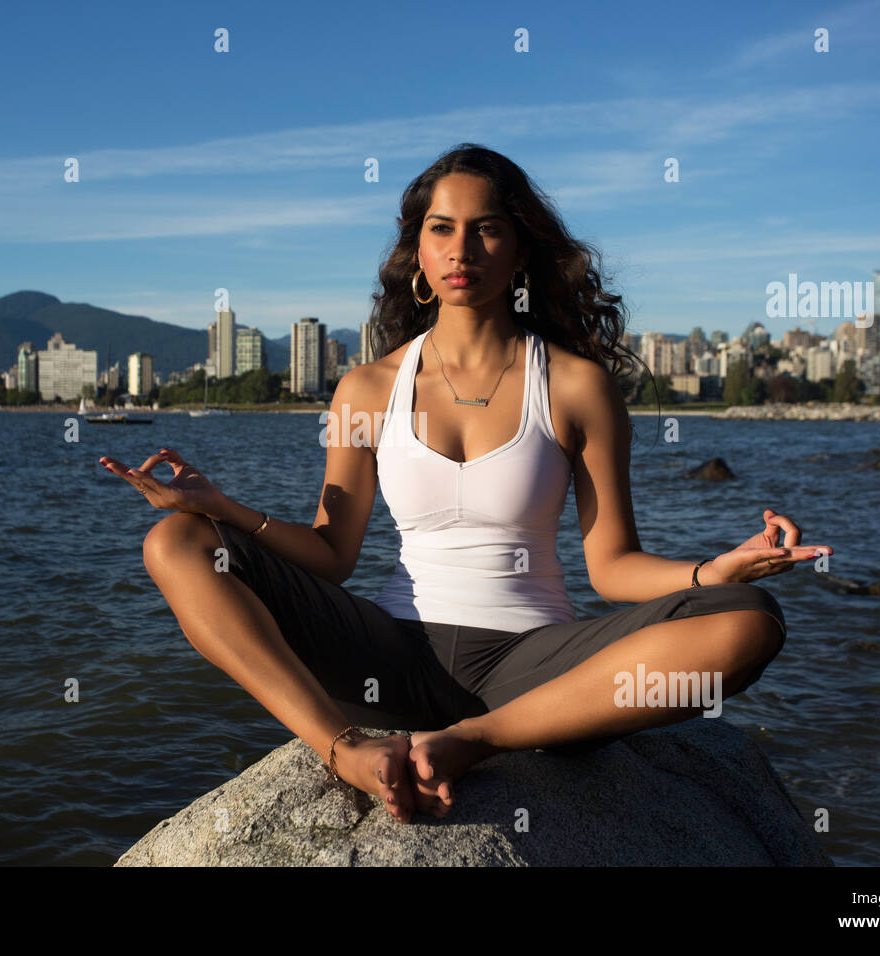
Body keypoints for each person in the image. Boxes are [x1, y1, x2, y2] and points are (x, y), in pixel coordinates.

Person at [100, 143, 832, 825]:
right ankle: (346, 749)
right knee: (178, 542)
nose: (461, 249)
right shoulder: (365, 391)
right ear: (416, 250)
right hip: (385, 657)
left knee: (748, 621)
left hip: (532, 672)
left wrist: (712, 571)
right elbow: (330, 555)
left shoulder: (577, 388)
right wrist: (221, 509)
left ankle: (474, 741)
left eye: (485, 229)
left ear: (518, 251)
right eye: (441, 228)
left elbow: (611, 567)